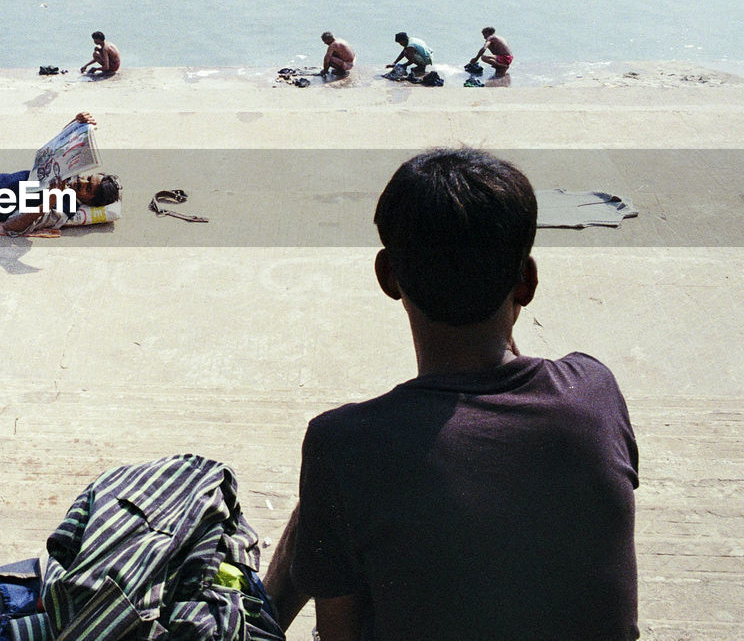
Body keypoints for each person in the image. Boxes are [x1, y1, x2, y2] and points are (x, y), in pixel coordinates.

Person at [263, 148, 639, 641]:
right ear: (526, 280)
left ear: (387, 276)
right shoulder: (593, 393)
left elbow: (340, 635)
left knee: (337, 502)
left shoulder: (346, 443)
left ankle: (260, 617)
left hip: (353, 473)